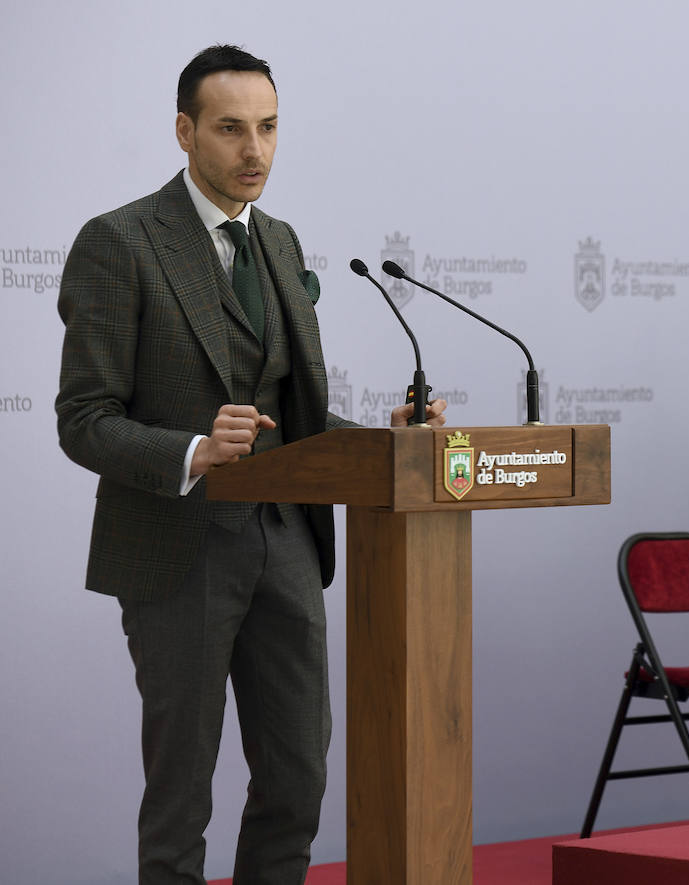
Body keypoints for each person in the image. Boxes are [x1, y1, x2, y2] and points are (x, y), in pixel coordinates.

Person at [54, 45, 445, 884]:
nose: (254, 150)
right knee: (181, 795)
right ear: (186, 132)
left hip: (288, 543)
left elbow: (292, 417)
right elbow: (83, 420)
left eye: (268, 128)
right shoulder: (119, 242)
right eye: (231, 129)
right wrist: (193, 449)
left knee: (298, 777)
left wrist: (390, 441)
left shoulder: (279, 240)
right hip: (178, 544)